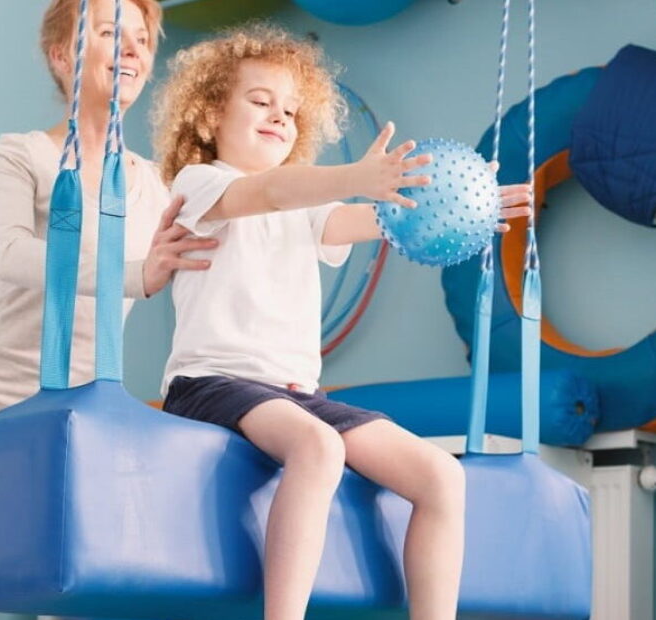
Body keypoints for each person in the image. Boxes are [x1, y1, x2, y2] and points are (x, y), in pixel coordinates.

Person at [154, 25, 532, 620]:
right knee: (318, 446)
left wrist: (464, 206)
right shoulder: (202, 185)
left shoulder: (306, 209)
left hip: (296, 395)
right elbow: (270, 193)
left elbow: (382, 219)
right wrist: (354, 176)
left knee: (440, 476)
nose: (279, 117)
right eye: (260, 101)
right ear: (209, 114)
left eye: (290, 111)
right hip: (211, 382)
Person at [0, 2, 218, 619]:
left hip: (77, 422)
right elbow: (11, 256)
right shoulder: (21, 154)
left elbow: (227, 237)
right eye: (111, 33)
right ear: (62, 56)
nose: (134, 49)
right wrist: (137, 275)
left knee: (52, 591)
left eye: (143, 39)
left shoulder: (154, 186)